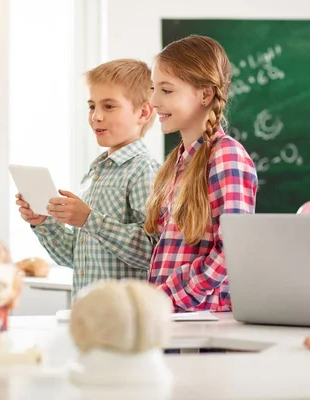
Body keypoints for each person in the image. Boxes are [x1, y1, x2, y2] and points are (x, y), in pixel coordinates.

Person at [16, 59, 159, 296]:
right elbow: (76, 258)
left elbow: (153, 252)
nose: (96, 117)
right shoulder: (96, 173)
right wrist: (43, 222)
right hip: (88, 315)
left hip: (125, 319)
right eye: (92, 106)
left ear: (143, 112)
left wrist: (89, 219)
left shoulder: (144, 170)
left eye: (109, 106)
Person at [146, 35, 258, 312]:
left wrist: (167, 297)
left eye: (166, 91)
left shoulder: (226, 155)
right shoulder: (177, 162)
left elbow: (233, 251)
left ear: (205, 94)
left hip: (206, 323)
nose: (153, 101)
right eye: (153, 89)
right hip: (176, 320)